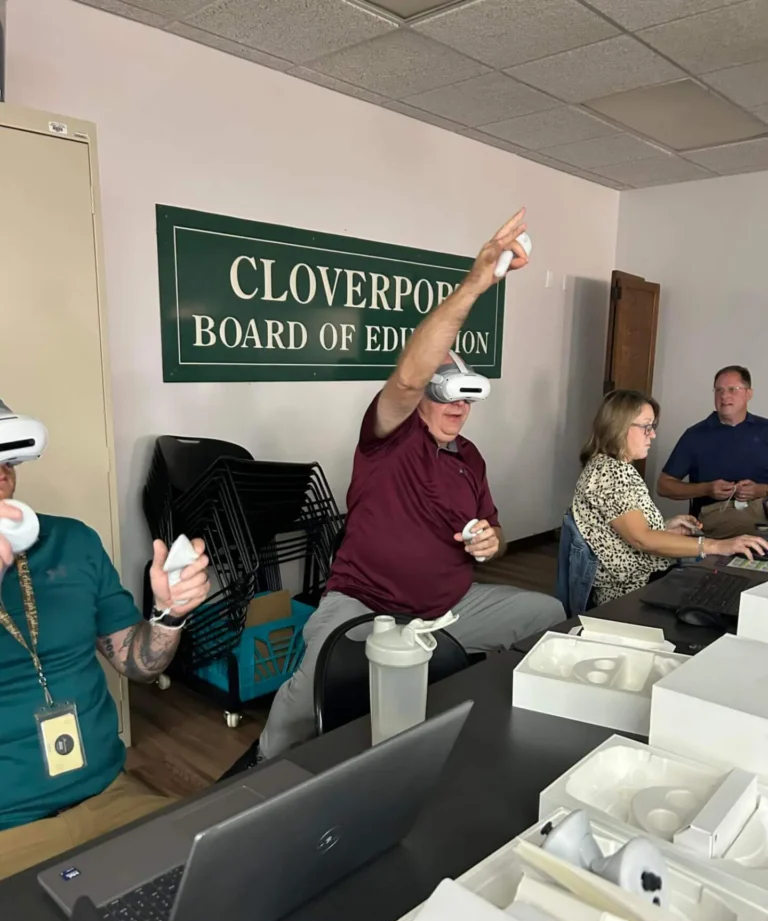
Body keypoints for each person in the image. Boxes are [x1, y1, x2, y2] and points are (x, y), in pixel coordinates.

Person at [257, 209, 565, 760]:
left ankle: (470, 728)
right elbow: (407, 376)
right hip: (363, 606)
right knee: (309, 692)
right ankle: (263, 772)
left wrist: (491, 540)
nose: (458, 406)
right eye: (444, 391)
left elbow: (490, 528)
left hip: (449, 608)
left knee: (546, 615)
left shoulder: (469, 457)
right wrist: (478, 281)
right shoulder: (387, 437)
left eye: (465, 397)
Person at [0, 460, 211, 880]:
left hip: (111, 796)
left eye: (7, 453)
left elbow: (135, 661)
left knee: (230, 877)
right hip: (10, 833)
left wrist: (169, 615)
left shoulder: (73, 541)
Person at [572, 390, 768, 605]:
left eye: (652, 427)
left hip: (647, 575)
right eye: (646, 427)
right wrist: (716, 546)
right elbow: (641, 539)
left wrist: (665, 527)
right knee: (730, 596)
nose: (653, 435)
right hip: (632, 589)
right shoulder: (609, 473)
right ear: (619, 427)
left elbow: (622, 533)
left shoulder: (613, 468)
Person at [657, 366, 768, 521]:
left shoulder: (765, 430)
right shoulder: (695, 435)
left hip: (762, 531)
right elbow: (664, 486)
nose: (724, 396)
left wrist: (761, 490)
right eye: (719, 390)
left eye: (732, 389)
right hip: (710, 534)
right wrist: (706, 489)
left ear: (748, 394)